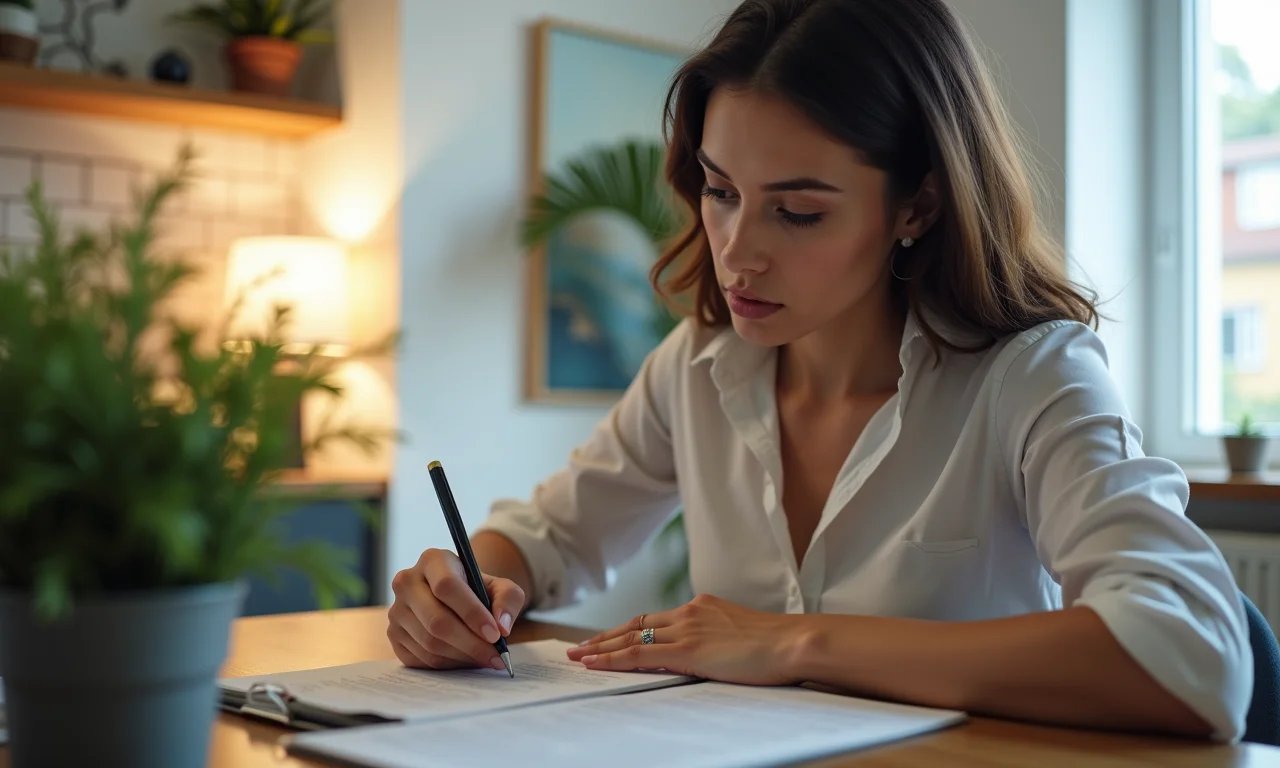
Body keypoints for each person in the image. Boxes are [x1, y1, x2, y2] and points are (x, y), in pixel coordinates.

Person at [388, 0, 1252, 742]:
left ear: (917, 204)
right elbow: (550, 540)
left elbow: (1193, 658)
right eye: (720, 192)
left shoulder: (1033, 376)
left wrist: (795, 642)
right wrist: (463, 590)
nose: (736, 255)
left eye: (797, 212)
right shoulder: (695, 367)